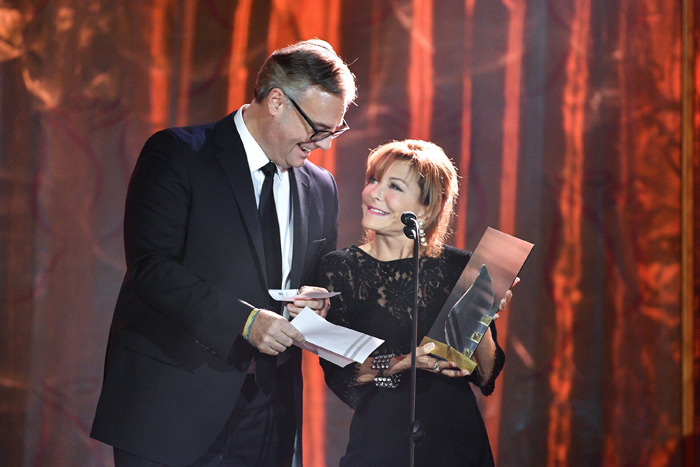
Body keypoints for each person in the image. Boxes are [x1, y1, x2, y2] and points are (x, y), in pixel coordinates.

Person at [90, 39, 356, 466]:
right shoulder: (178, 154)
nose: (324, 145)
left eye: (334, 131)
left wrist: (317, 301)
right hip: (172, 404)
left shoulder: (321, 187)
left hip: (268, 413)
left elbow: (313, 282)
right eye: (318, 129)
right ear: (276, 102)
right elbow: (152, 268)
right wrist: (245, 322)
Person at [318, 139, 508, 466]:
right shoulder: (340, 268)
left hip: (455, 441)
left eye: (394, 186)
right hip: (381, 439)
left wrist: (482, 313)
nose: (374, 193)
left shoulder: (462, 266)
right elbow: (344, 374)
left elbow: (485, 375)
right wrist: (406, 361)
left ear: (427, 209)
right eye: (373, 179)